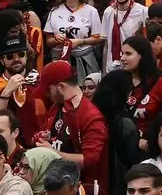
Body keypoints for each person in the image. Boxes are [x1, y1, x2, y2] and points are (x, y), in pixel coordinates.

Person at [34, 60, 107, 188]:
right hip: (54, 185)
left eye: (48, 90)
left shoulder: (91, 116)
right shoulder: (56, 107)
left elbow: (89, 160)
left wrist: (52, 153)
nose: (46, 94)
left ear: (61, 86)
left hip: (77, 187)